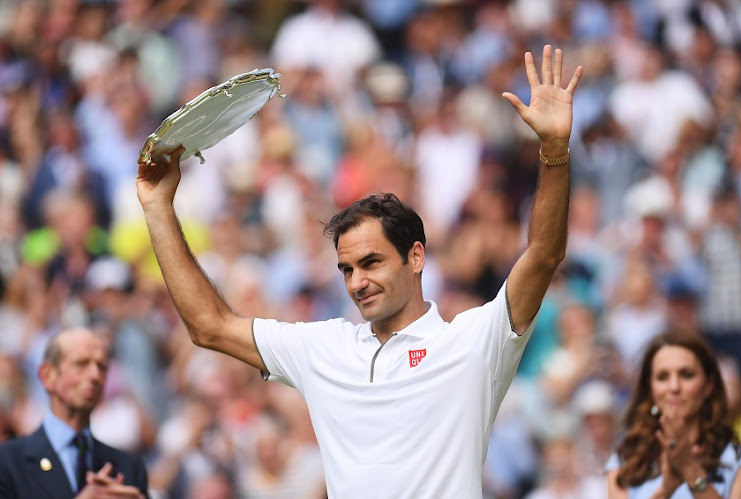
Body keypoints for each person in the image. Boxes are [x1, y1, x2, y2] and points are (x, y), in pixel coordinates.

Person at [136, 45, 582, 498]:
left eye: (371, 263)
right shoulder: (324, 348)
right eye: (346, 269)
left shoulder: (473, 342)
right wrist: (157, 206)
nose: (357, 282)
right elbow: (209, 326)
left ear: (416, 257)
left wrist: (553, 149)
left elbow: (544, 254)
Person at [0, 328, 148, 498]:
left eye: (102, 366)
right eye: (81, 364)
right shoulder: (8, 463)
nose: (95, 375)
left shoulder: (129, 468)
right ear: (48, 376)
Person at [606, 330, 741, 498]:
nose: (674, 387)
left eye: (686, 375)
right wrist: (665, 490)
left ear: (708, 384)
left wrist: (690, 469)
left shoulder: (740, 460)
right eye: (662, 377)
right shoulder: (627, 461)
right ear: (650, 387)